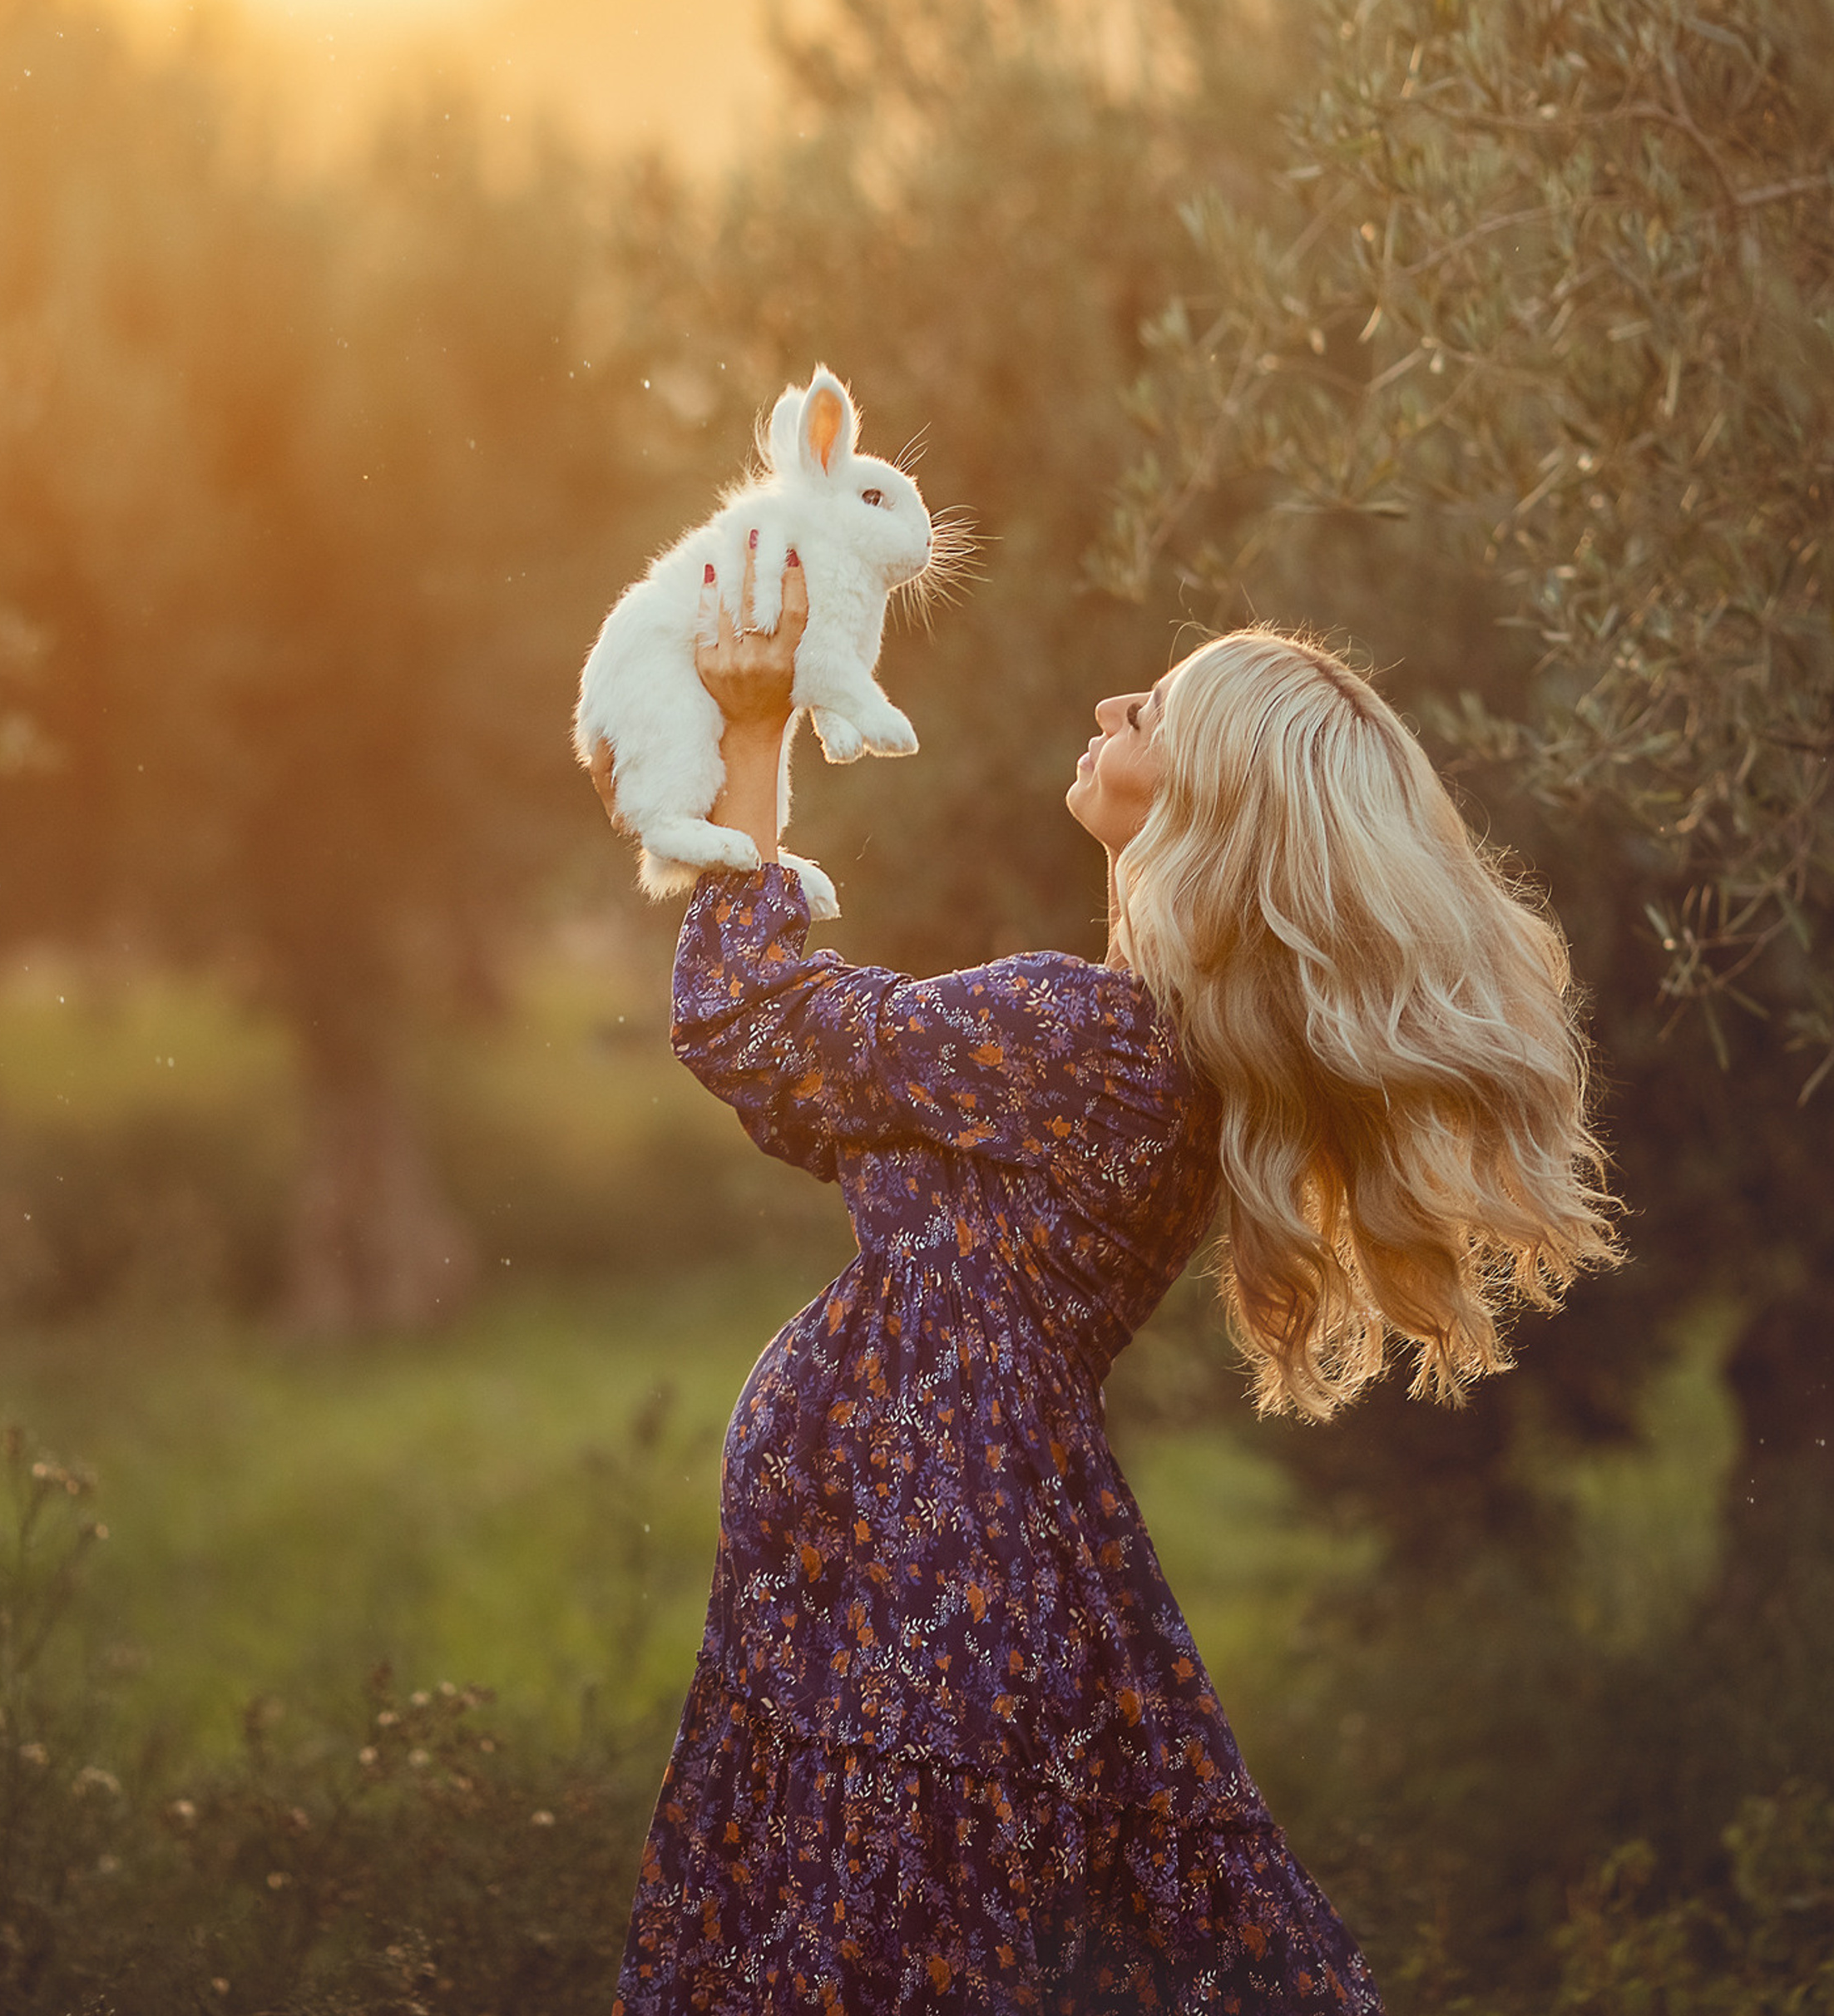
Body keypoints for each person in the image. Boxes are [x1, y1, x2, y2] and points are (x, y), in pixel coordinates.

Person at [591, 544, 1618, 2015]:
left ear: (1205, 799)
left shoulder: (1078, 1037)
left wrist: (754, 735)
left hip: (919, 1613)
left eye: (1157, 713)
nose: (1113, 700)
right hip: (931, 1600)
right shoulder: (1156, 1062)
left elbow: (743, 1015)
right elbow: (797, 1092)